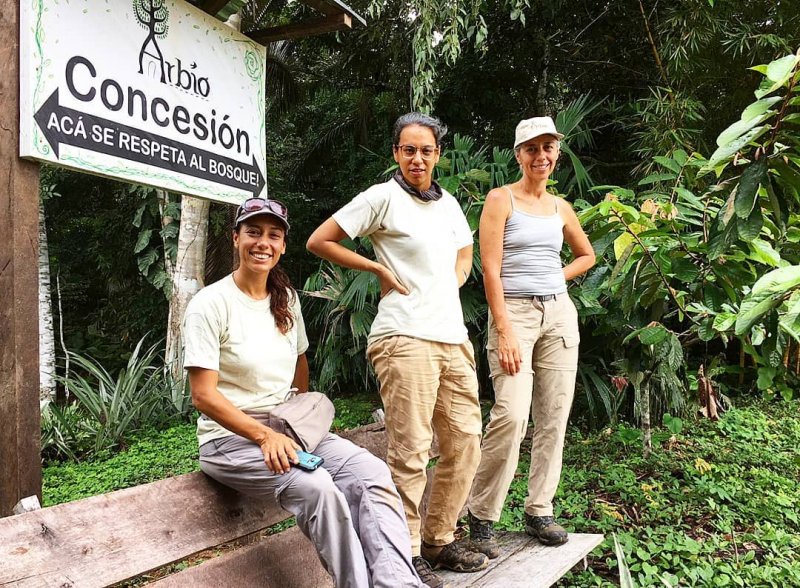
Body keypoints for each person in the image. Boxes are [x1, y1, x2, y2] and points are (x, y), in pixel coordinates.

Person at [183, 197, 423, 588]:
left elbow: (300, 363)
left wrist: (295, 418)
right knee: (318, 488)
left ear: (282, 245)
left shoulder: (287, 299)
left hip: (286, 429)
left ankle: (398, 584)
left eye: (273, 236)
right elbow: (203, 396)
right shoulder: (210, 304)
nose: (263, 243)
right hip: (230, 440)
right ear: (235, 239)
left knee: (372, 473)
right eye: (253, 233)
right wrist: (264, 435)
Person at [306, 112, 488, 588]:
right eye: (408, 149)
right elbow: (320, 239)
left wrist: (453, 281)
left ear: (438, 155)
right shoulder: (382, 197)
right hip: (403, 337)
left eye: (426, 150)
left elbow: (465, 249)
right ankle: (405, 553)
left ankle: (439, 539)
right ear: (396, 153)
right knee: (411, 450)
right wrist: (378, 270)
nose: (417, 158)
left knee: (466, 441)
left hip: (452, 337)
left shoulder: (448, 204)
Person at [466, 116, 596, 558]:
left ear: (556, 153)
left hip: (559, 314)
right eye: (532, 148)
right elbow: (490, 268)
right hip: (515, 316)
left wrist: (554, 278)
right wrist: (502, 328)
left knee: (554, 416)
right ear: (518, 154)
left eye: (549, 148)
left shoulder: (561, 207)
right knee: (512, 415)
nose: (541, 156)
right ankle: (482, 514)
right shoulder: (500, 199)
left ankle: (539, 508)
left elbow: (587, 255)